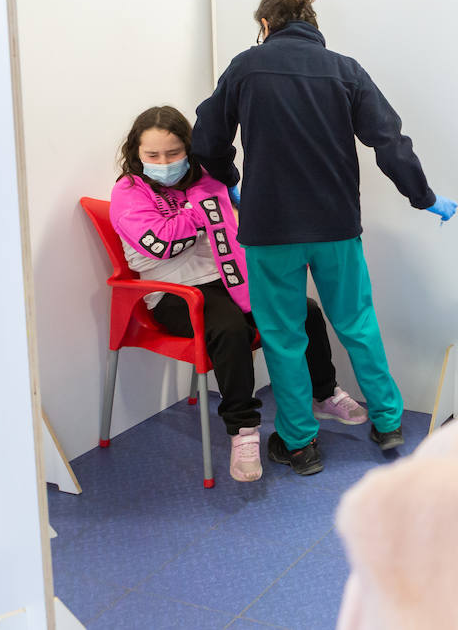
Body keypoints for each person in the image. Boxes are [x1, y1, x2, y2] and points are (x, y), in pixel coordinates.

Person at [192, 0, 457, 476]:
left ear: (265, 26)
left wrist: (230, 182)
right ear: (313, 25)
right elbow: (390, 142)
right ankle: (388, 422)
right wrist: (423, 197)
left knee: (283, 335)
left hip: (269, 229)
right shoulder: (344, 70)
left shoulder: (247, 67)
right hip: (335, 226)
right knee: (357, 322)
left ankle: (299, 443)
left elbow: (205, 138)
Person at [109, 106, 371, 483]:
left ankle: (324, 393)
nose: (164, 163)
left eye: (174, 153)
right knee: (230, 328)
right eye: (152, 156)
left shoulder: (205, 182)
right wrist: (202, 211)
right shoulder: (128, 192)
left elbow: (233, 226)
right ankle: (243, 429)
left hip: (228, 280)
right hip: (171, 293)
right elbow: (160, 245)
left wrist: (215, 204)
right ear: (136, 154)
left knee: (305, 310)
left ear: (190, 149)